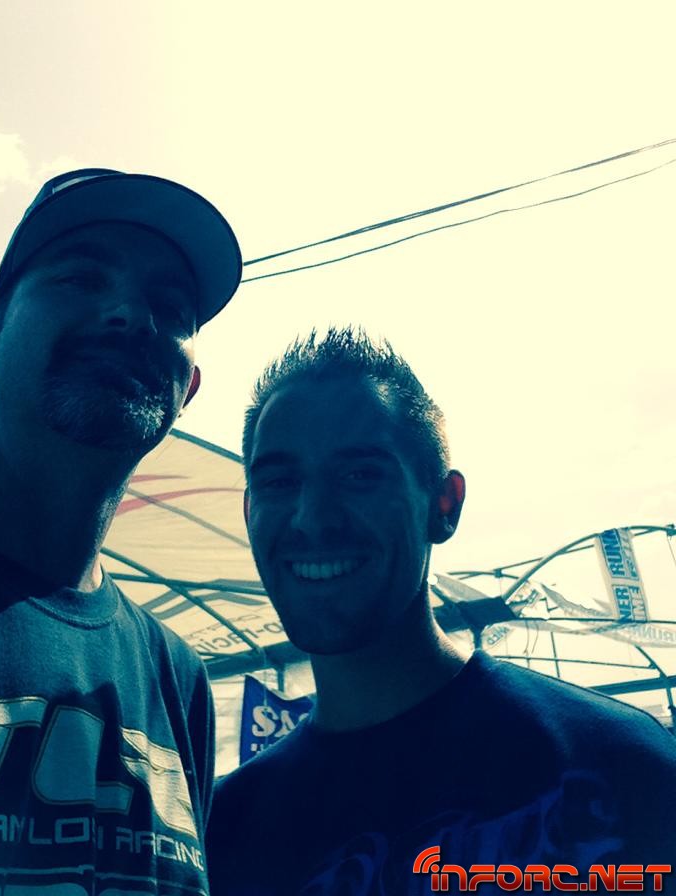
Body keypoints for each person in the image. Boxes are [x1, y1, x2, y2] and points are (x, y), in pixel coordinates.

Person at [206, 328, 676, 896]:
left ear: (445, 504)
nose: (312, 518)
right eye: (279, 481)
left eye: (360, 475)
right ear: (249, 511)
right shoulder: (226, 831)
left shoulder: (614, 765)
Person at [0, 168, 241, 895]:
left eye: (169, 306)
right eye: (82, 278)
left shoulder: (178, 678)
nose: (130, 314)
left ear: (188, 389)